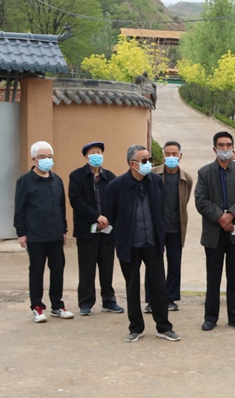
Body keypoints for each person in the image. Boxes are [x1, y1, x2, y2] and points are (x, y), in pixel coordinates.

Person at [105, 144, 180, 343]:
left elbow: (160, 209)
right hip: (129, 244)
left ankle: (163, 326)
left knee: (159, 286)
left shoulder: (156, 181)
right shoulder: (116, 186)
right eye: (145, 160)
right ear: (133, 164)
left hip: (152, 242)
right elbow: (110, 216)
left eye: (150, 159)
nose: (149, 164)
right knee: (132, 287)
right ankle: (136, 327)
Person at [195, 131, 235, 331]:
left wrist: (232, 215)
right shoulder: (204, 173)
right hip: (214, 231)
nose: (225, 149)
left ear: (233, 147)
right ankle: (210, 317)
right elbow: (201, 201)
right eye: (221, 145)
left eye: (228, 145)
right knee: (213, 276)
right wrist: (221, 217)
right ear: (214, 149)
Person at [13, 140, 74, 322]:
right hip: (36, 235)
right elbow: (19, 208)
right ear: (34, 159)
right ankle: (37, 307)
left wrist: (63, 229)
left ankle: (57, 305)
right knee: (37, 271)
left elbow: (61, 207)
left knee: (57, 270)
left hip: (55, 235)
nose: (46, 159)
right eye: (42, 157)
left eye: (49, 156)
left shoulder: (57, 180)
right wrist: (21, 232)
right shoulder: (25, 181)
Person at [68, 141, 124, 316]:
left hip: (107, 231)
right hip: (86, 230)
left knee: (107, 267)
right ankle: (85, 303)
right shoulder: (77, 176)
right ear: (86, 156)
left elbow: (117, 200)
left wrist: (107, 219)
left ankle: (109, 301)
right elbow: (76, 201)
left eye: (99, 152)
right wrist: (95, 216)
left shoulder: (110, 176)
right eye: (92, 152)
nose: (96, 155)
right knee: (87, 268)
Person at [144, 140, 193, 313]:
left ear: (180, 156)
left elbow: (184, 201)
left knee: (174, 264)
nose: (171, 157)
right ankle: (152, 300)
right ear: (163, 155)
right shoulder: (153, 174)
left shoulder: (186, 178)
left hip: (176, 229)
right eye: (167, 154)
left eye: (174, 154)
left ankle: (170, 298)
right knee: (153, 265)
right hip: (156, 229)